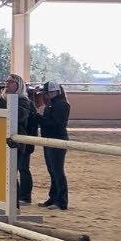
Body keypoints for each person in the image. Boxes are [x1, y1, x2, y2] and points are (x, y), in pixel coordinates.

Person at [0, 73, 38, 205]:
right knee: (7, 171)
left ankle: (18, 199)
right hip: (2, 138)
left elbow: (17, 116)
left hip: (17, 141)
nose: (7, 83)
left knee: (15, 170)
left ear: (18, 85)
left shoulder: (24, 101)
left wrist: (0, 100)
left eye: (11, 82)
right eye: (6, 81)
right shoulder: (3, 98)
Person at [37, 80, 71, 210]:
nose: (45, 96)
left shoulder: (61, 105)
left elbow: (55, 124)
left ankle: (61, 200)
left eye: (46, 93)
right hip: (50, 140)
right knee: (53, 171)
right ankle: (54, 197)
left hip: (57, 140)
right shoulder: (53, 105)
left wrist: (39, 118)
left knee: (57, 171)